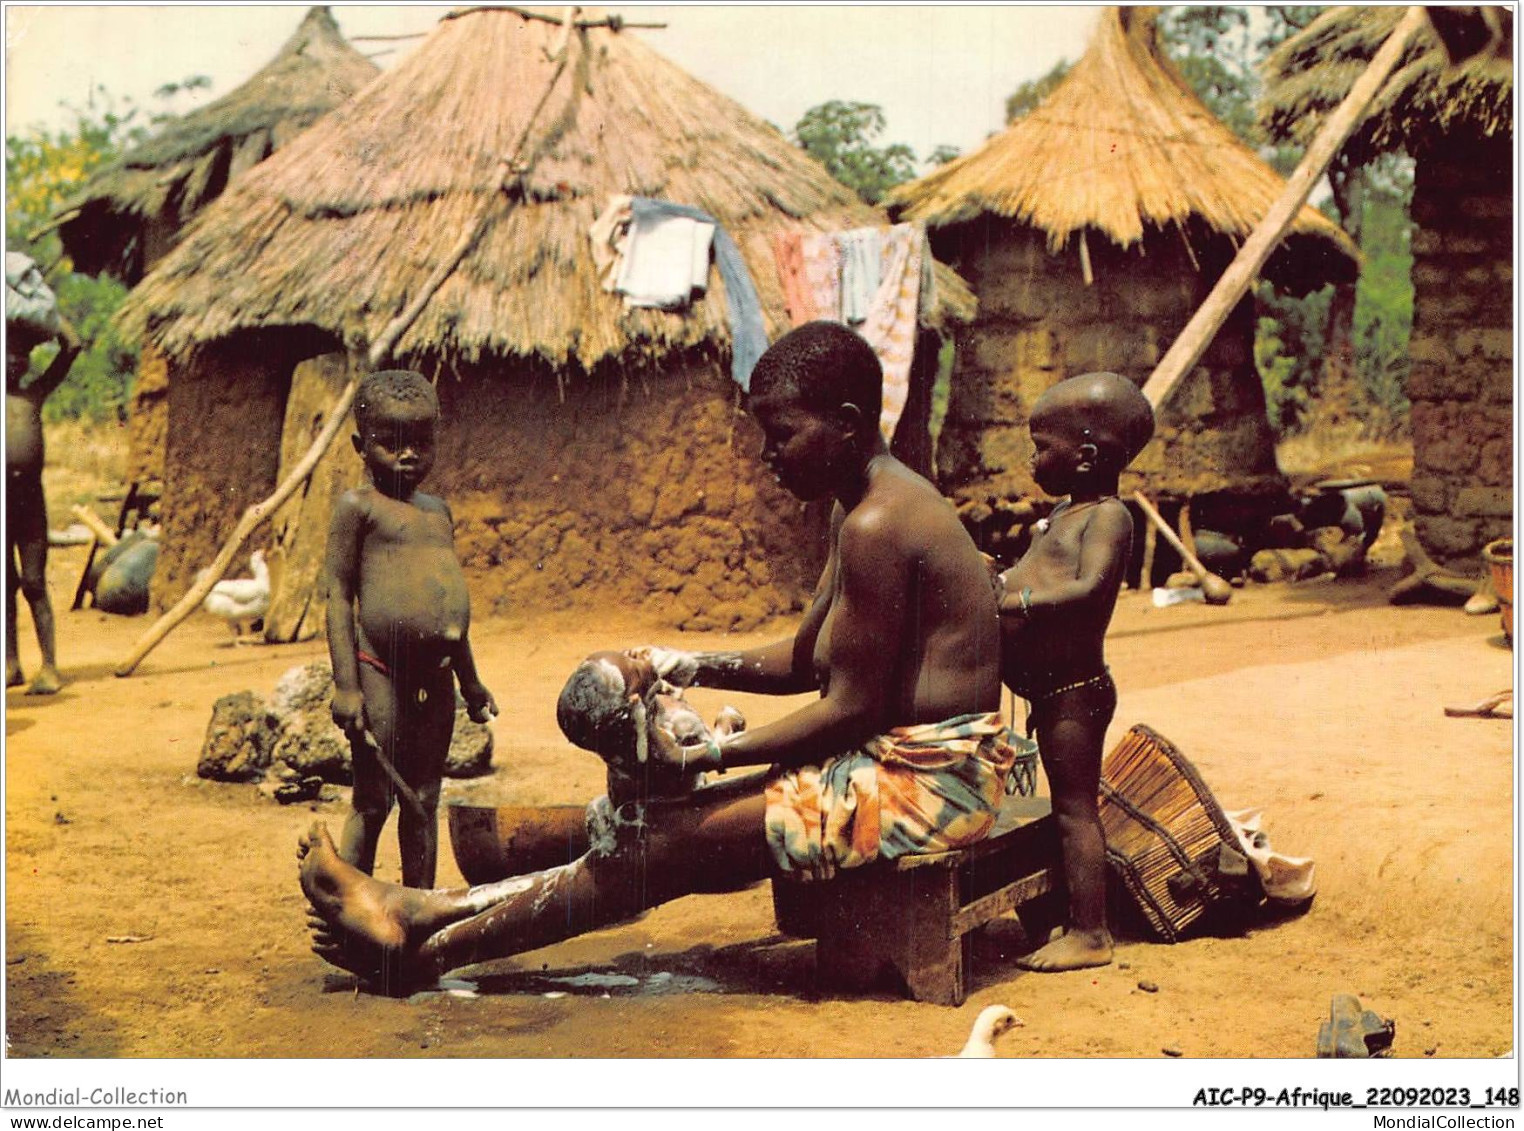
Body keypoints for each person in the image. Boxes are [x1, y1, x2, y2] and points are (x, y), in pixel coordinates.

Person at [298, 321, 1014, 991]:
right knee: (649, 830)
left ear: (849, 422)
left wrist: (706, 759)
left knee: (659, 846)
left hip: (930, 785)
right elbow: (805, 661)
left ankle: (423, 947)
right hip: (883, 761)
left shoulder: (881, 523)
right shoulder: (855, 506)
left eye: (783, 434)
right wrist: (684, 662)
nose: (768, 456)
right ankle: (418, 912)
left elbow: (849, 706)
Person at [997, 371, 1154, 972]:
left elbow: (1087, 590)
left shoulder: (1108, 518)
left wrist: (1014, 602)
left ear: (1085, 457)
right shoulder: (1064, 515)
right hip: (1050, 693)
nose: (1032, 460)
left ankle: (1092, 933)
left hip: (1075, 694)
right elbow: (1033, 573)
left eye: (1042, 448)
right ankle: (1059, 914)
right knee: (1057, 806)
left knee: (1073, 810)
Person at [324, 369, 497, 890]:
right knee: (374, 798)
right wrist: (347, 685)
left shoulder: (437, 513)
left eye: (421, 442)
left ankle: (416, 913)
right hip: (379, 672)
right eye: (391, 443)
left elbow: (450, 612)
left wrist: (471, 681)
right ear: (361, 444)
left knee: (423, 798)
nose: (408, 455)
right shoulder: (359, 509)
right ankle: (352, 913)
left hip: (438, 677)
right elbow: (337, 595)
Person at [6, 255, 79, 696]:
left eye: (21, 356)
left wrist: (49, 314)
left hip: (29, 501)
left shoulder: (35, 392)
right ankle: (11, 663)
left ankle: (49, 665)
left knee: (33, 582)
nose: (15, 364)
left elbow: (71, 346)